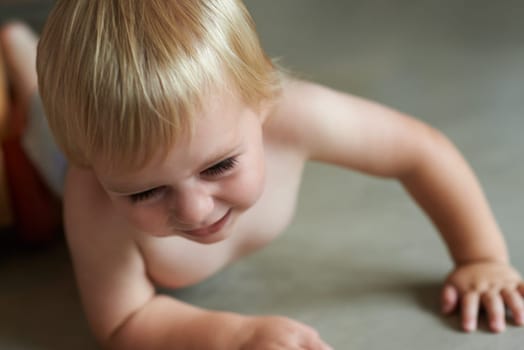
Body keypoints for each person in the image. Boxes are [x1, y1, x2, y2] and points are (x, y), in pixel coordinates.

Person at [1, 0, 523, 348]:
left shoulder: (296, 114)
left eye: (220, 165)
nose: (195, 210)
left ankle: (23, 49)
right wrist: (232, 336)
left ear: (263, 99)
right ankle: (22, 58)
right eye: (145, 192)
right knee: (38, 115)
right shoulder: (90, 193)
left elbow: (419, 152)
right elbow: (123, 321)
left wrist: (481, 256)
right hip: (60, 149)